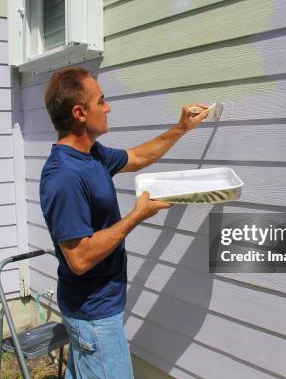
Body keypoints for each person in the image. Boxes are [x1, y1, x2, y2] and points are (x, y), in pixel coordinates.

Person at [39, 67, 209, 379]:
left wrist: (181, 128)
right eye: (101, 101)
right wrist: (135, 217)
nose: (108, 107)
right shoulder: (64, 176)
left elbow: (138, 157)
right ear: (79, 112)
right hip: (93, 316)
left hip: (99, 309)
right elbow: (78, 258)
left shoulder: (93, 155)